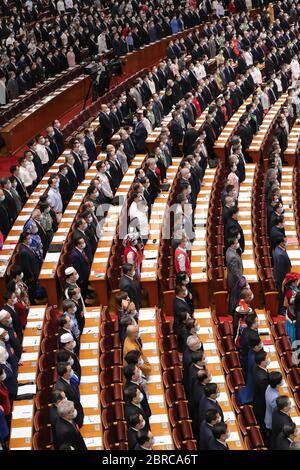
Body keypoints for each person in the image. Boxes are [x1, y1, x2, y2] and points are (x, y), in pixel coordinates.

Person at [55, 362, 84, 428]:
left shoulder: (67, 379)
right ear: (65, 374)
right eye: (70, 370)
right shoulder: (61, 389)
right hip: (74, 415)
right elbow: (66, 410)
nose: (72, 371)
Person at [252, 349, 270, 437]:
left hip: (257, 398)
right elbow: (266, 393)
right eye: (267, 358)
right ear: (262, 362)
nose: (268, 359)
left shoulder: (257, 367)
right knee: (263, 424)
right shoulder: (262, 378)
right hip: (262, 405)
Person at [273, 237, 292, 314]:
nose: (287, 242)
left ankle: (281, 307)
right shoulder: (280, 254)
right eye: (285, 241)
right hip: (281, 277)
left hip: (282, 275)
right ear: (281, 243)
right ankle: (280, 309)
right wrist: (285, 280)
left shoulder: (279, 249)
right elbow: (281, 270)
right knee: (281, 293)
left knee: (282, 293)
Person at [282, 272, 300, 345]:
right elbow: (294, 301)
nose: (298, 281)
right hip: (293, 314)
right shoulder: (290, 292)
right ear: (292, 283)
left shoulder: (293, 288)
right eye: (297, 281)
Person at [264, 371, 282, 439]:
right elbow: (277, 412)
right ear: (277, 384)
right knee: (273, 438)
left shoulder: (269, 386)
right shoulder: (274, 398)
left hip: (268, 416)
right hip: (272, 422)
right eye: (281, 380)